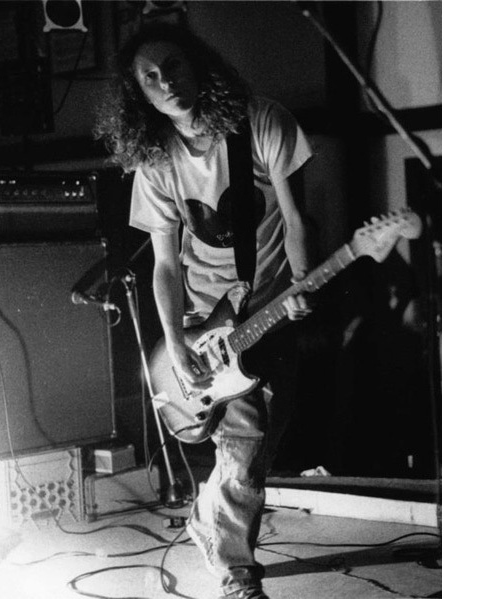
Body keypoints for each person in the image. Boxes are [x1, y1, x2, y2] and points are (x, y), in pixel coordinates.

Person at [95, 23, 314, 599]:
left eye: (172, 65)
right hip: (208, 324)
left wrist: (302, 282)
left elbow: (296, 219)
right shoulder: (156, 161)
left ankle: (206, 521)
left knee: (259, 448)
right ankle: (236, 573)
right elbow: (165, 265)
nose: (166, 81)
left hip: (272, 305)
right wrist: (177, 341)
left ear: (196, 63)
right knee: (242, 450)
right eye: (150, 77)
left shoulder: (261, 122)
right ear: (140, 95)